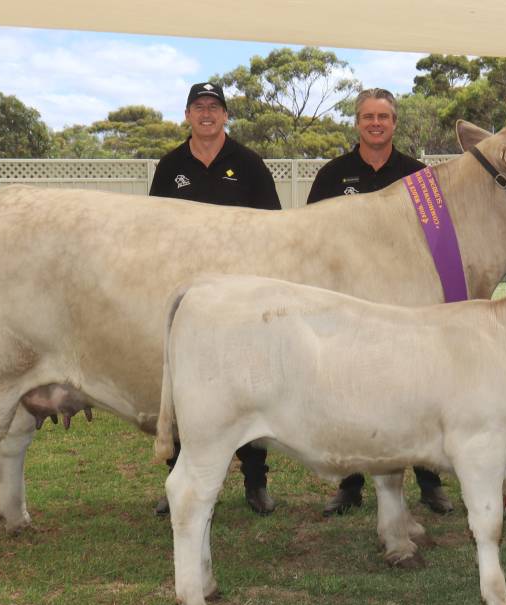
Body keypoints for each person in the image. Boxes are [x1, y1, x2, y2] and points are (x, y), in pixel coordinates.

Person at [306, 88, 454, 517]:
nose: (375, 123)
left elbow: (440, 243)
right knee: (348, 393)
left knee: (417, 391)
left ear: (394, 123)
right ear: (357, 122)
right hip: (348, 309)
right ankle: (349, 487)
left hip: (407, 313)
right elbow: (314, 240)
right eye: (368, 116)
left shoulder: (420, 178)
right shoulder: (333, 175)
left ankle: (430, 482)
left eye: (383, 116)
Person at [149, 82, 280, 516]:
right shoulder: (171, 166)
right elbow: (155, 228)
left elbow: (272, 230)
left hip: (239, 298)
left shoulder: (248, 164)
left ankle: (254, 480)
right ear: (187, 115)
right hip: (185, 298)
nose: (207, 114)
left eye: (214, 107)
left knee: (246, 388)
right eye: (199, 107)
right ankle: (177, 479)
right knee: (186, 387)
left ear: (226, 116)